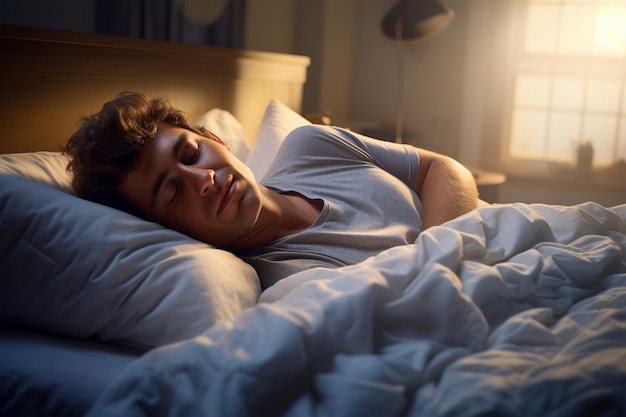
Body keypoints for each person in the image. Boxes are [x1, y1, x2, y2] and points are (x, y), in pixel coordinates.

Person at [64, 91, 480, 288]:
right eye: (172, 193)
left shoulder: (312, 146)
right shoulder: (278, 282)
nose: (203, 180)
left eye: (192, 154)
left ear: (215, 138)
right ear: (164, 228)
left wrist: (436, 257)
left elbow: (444, 168)